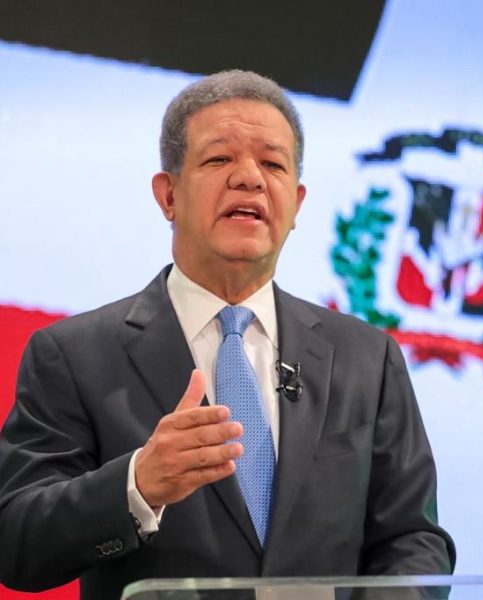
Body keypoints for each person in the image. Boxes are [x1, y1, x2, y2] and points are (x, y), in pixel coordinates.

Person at [0, 70, 455, 600]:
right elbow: (15, 540)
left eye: (273, 164)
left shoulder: (367, 359)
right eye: (219, 159)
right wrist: (137, 485)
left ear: (297, 204)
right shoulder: (75, 356)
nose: (250, 178)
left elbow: (412, 538)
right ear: (168, 195)